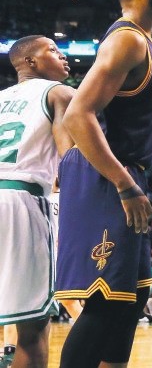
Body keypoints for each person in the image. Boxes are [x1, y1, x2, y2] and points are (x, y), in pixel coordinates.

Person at [57, 0, 152, 368]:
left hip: (123, 172)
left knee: (130, 298)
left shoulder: (144, 42)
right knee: (106, 301)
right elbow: (77, 115)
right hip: (107, 173)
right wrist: (125, 185)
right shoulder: (127, 40)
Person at [0, 36, 75, 368]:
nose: (64, 57)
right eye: (54, 51)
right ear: (29, 61)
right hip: (21, 201)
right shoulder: (58, 93)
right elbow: (71, 160)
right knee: (32, 329)